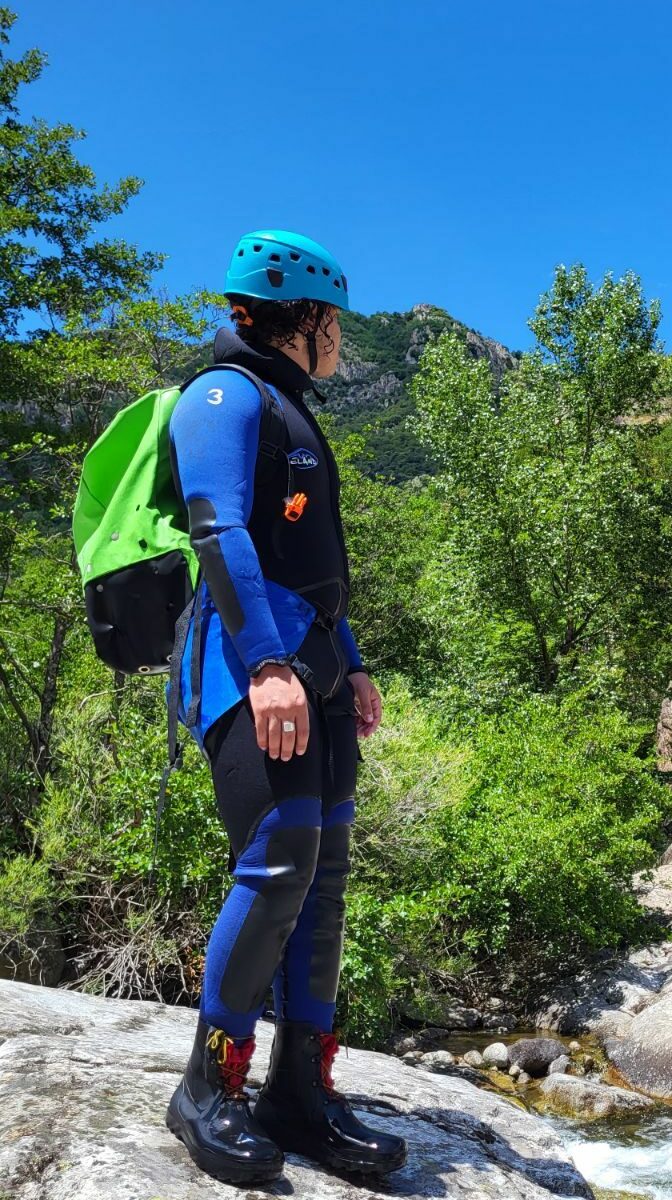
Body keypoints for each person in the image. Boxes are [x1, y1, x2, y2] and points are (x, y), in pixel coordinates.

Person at [164, 229, 407, 1185]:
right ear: (299, 316)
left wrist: (351, 664)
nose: (341, 336)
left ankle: (299, 1092)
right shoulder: (222, 396)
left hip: (316, 667)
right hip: (246, 666)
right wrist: (267, 664)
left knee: (323, 872)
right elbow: (217, 530)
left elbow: (313, 571)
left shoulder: (291, 409)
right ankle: (206, 1088)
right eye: (332, 320)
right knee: (276, 863)